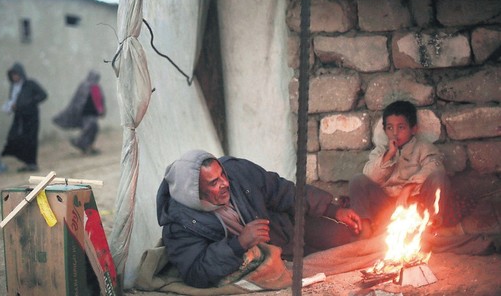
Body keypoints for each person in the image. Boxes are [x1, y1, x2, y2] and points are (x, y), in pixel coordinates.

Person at [156, 149, 365, 288]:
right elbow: (196, 272)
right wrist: (239, 244)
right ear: (194, 191)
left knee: (350, 238)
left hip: (285, 232)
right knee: (345, 260)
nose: (224, 184)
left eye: (222, 175)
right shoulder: (180, 224)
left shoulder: (238, 172)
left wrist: (332, 209)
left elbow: (282, 191)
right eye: (213, 183)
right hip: (264, 261)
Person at [348, 100, 452, 238]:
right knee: (357, 180)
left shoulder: (423, 147)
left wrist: (408, 188)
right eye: (390, 128)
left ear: (413, 129)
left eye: (401, 127)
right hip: (386, 207)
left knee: (439, 177)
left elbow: (433, 166)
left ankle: (429, 229)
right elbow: (370, 177)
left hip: (415, 205)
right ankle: (365, 231)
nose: (395, 133)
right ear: (385, 130)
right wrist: (389, 155)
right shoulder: (380, 151)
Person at [1, 62, 47, 172]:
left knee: (31, 139)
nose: (14, 77)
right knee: (16, 138)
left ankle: (32, 163)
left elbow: (43, 95)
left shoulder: (30, 84)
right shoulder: (13, 87)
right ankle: (26, 162)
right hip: (19, 117)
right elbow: (12, 100)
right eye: (12, 75)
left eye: (16, 74)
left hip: (31, 116)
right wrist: (11, 107)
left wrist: (30, 102)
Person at [52, 69, 105, 154]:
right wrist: (77, 110)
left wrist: (101, 110)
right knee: (88, 129)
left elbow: (99, 99)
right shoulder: (84, 85)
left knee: (94, 129)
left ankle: (88, 146)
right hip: (85, 112)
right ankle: (80, 143)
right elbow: (78, 99)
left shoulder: (96, 87)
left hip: (93, 113)